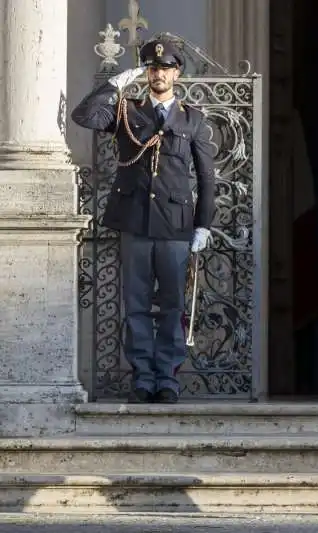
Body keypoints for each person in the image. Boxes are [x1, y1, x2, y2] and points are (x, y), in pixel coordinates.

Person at [71, 39, 216, 404]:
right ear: (147, 73)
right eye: (153, 69)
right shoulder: (126, 110)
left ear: (176, 73)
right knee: (135, 305)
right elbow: (83, 116)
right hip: (135, 222)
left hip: (175, 225)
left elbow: (206, 176)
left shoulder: (192, 118)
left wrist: (203, 225)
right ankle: (143, 377)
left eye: (165, 68)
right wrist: (115, 84)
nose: (159, 74)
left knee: (172, 307)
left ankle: (167, 378)